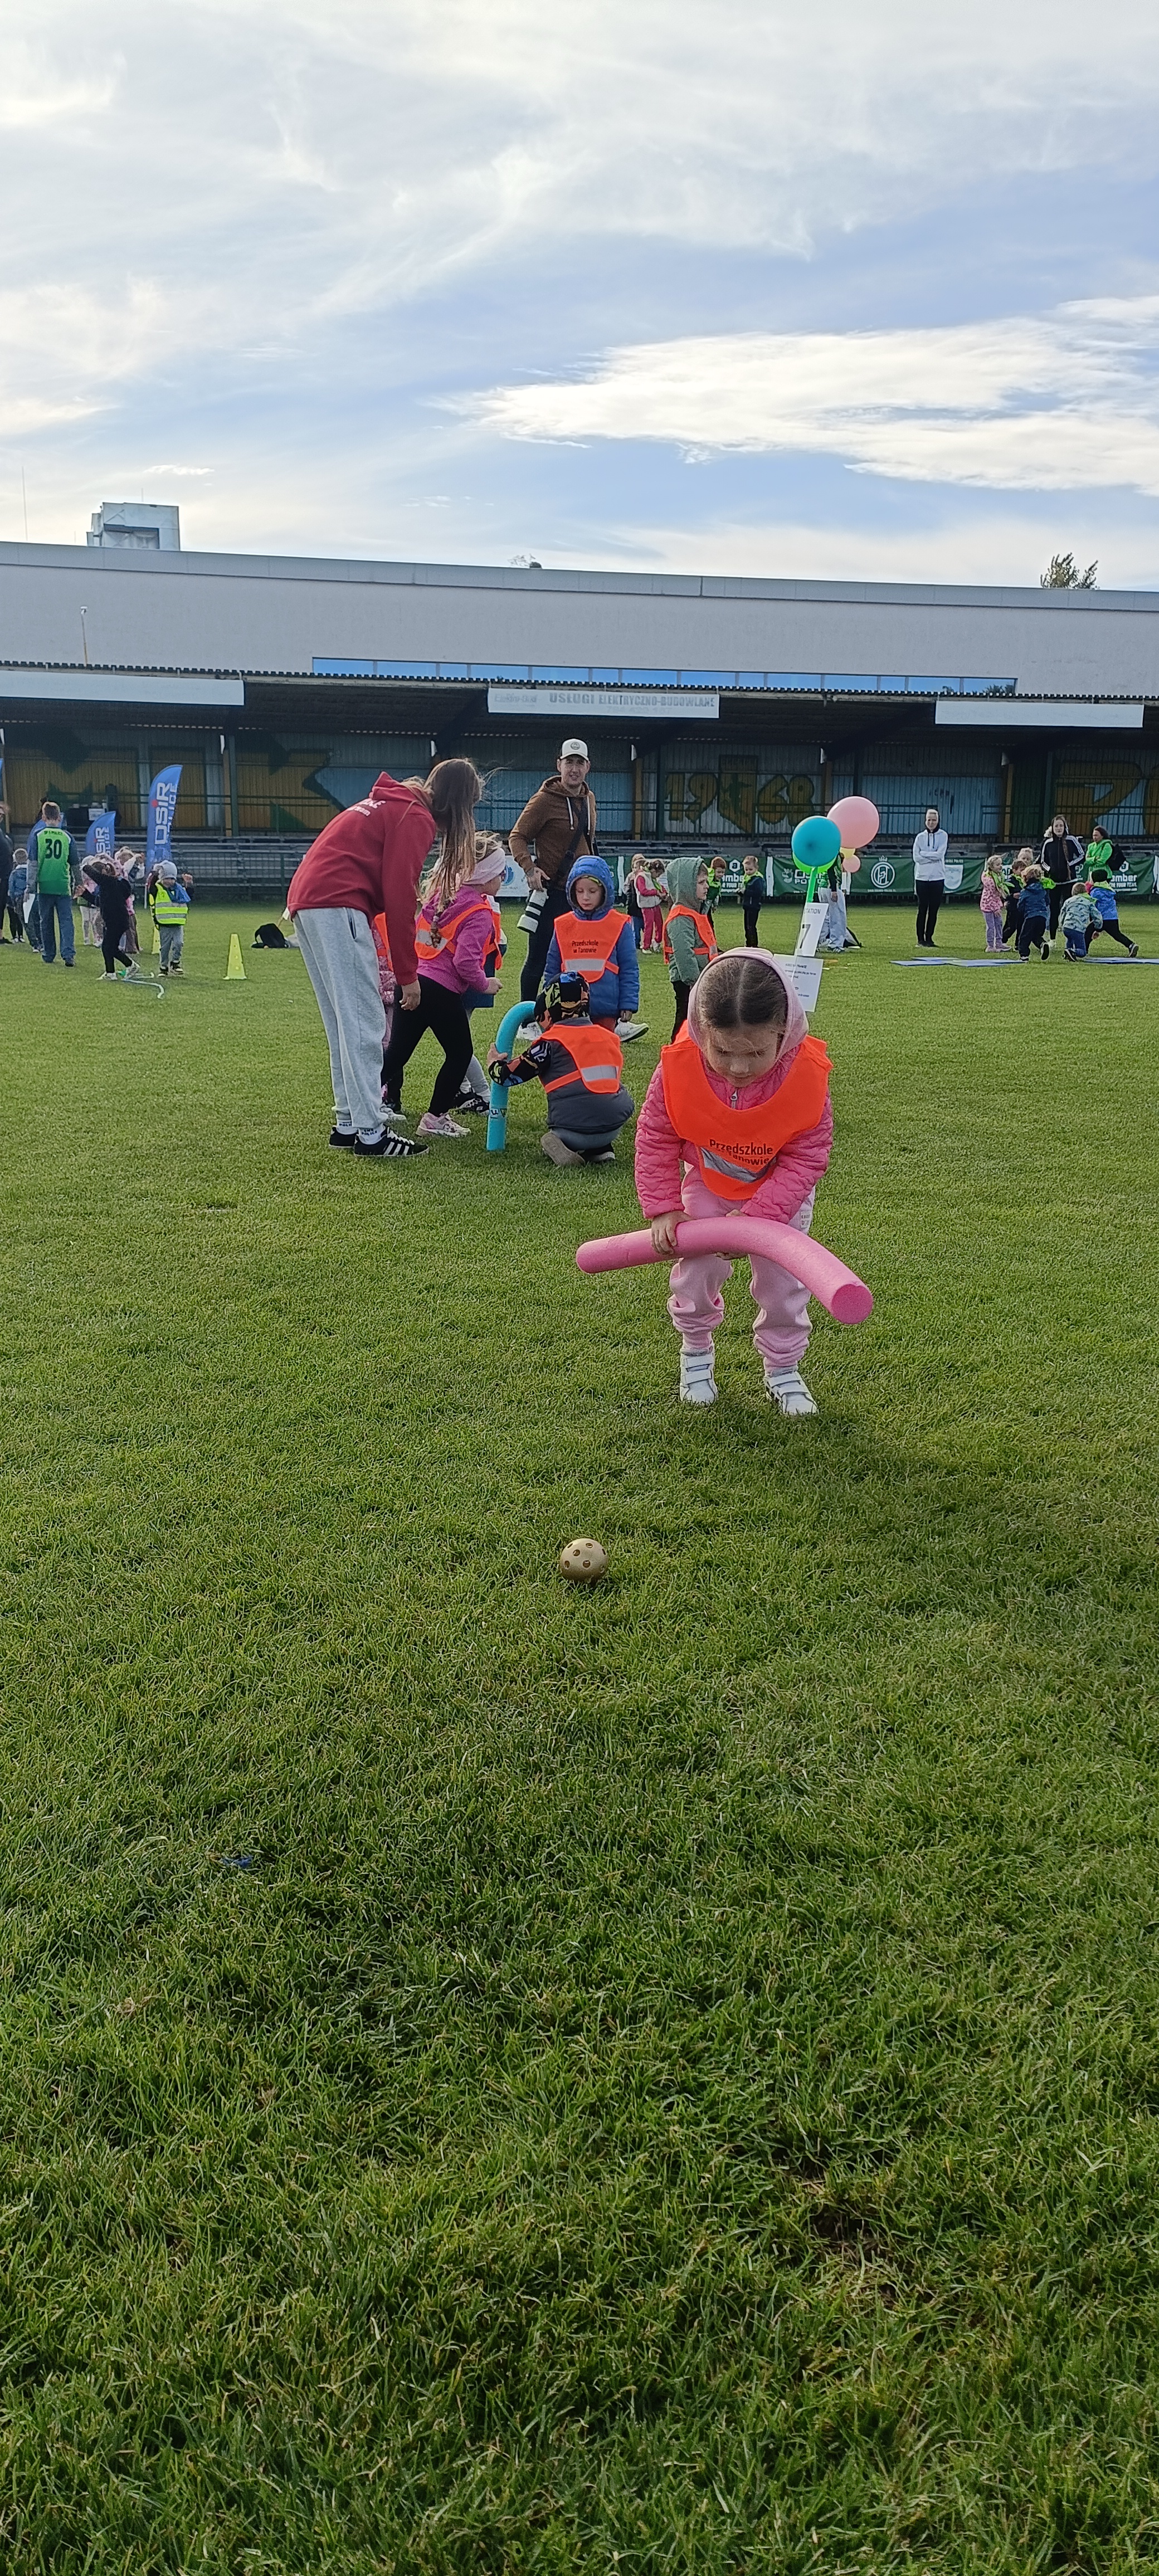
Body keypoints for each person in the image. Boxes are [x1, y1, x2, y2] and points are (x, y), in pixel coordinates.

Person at [635, 949, 832, 1416]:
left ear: (783, 1031)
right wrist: (664, 1207)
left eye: (756, 1053)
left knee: (783, 1283)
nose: (739, 1068)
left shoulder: (805, 1075)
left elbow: (808, 1156)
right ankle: (696, 1354)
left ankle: (783, 1369)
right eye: (722, 1052)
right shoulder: (678, 1066)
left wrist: (758, 1219)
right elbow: (656, 1136)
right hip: (710, 1180)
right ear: (702, 1030)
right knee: (697, 1269)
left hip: (779, 1193)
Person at [288, 762, 482, 1158]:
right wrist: (408, 975)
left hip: (309, 902)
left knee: (343, 1023)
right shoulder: (415, 816)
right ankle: (371, 1133)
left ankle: (348, 1122)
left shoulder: (393, 804)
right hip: (338, 902)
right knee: (365, 1024)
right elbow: (400, 897)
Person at [382, 805, 501, 1139]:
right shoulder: (478, 911)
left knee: (398, 1052)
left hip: (413, 982)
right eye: (500, 873)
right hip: (440, 991)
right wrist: (485, 984)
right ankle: (435, 1118)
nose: (503, 879)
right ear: (485, 876)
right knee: (460, 1054)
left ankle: (360, 1102)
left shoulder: (439, 896)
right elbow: (465, 963)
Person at [489, 972, 635, 1167]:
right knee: (600, 1097)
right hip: (614, 1126)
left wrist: (494, 1064)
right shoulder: (609, 1037)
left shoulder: (551, 1042)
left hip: (573, 1130)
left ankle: (564, 1145)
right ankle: (601, 1150)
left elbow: (509, 1076)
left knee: (556, 1133)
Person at [510, 739, 598, 1002]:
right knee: (538, 959)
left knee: (578, 958)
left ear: (588, 767)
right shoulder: (544, 800)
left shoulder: (589, 799)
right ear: (559, 765)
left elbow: (589, 841)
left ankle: (571, 1012)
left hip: (581, 897)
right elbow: (517, 837)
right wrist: (530, 869)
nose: (574, 769)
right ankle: (527, 1017)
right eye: (569, 762)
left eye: (580, 763)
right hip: (551, 894)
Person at [543, 856, 644, 1040]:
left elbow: (629, 968)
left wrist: (628, 1003)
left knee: (603, 1050)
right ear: (572, 891)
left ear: (604, 891)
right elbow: (552, 968)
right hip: (569, 1008)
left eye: (592, 891)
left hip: (606, 1009)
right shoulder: (563, 925)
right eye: (580, 891)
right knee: (572, 1051)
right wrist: (549, 1001)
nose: (585, 897)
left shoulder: (619, 925)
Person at [663, 856, 718, 1036]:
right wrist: (695, 982)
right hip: (688, 981)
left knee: (695, 1020)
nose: (707, 886)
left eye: (706, 882)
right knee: (685, 1020)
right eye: (701, 882)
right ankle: (677, 1048)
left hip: (700, 976)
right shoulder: (681, 918)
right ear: (686, 886)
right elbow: (684, 954)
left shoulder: (694, 911)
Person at [26, 799, 80, 966]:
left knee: (46, 922)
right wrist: (79, 883)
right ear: (59, 818)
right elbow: (75, 863)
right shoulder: (67, 837)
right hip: (63, 885)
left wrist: (30, 886)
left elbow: (33, 863)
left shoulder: (38, 836)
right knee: (66, 921)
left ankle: (49, 954)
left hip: (44, 885)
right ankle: (68, 955)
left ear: (44, 818)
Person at [89, 857, 137, 978]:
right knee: (110, 948)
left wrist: (82, 865)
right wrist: (84, 894)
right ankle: (112, 973)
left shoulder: (109, 882)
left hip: (117, 920)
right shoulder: (108, 885)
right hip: (113, 920)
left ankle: (129, 966)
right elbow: (99, 902)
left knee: (108, 947)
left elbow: (92, 873)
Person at [1039, 814, 1084, 939]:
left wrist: (1070, 865)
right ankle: (1052, 939)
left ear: (1065, 827)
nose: (1059, 828)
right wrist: (1051, 870)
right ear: (1053, 828)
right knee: (1054, 911)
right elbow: (1043, 861)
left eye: (1061, 826)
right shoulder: (1048, 843)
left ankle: (1070, 939)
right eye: (1056, 826)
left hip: (1070, 882)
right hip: (1054, 883)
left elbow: (1082, 855)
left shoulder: (1072, 840)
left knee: (1070, 909)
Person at [1084, 867, 1139, 957]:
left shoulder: (1095, 892)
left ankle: (1084, 951)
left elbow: (1092, 906)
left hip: (1101, 918)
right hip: (1113, 918)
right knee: (1117, 935)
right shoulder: (1109, 890)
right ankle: (1131, 945)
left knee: (1088, 933)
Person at [913, 807, 947, 947]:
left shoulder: (943, 836)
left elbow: (940, 855)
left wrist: (924, 854)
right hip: (922, 878)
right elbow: (916, 857)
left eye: (934, 820)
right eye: (929, 820)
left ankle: (929, 938)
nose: (931, 823)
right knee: (922, 909)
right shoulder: (920, 837)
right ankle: (920, 939)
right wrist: (931, 856)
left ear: (938, 821)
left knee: (934, 910)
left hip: (937, 878)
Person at [150, 860, 191, 973]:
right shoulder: (157, 889)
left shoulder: (179, 890)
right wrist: (155, 873)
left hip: (178, 923)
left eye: (173, 879)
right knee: (165, 947)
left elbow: (189, 896)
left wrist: (189, 884)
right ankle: (163, 967)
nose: (171, 881)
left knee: (179, 943)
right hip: (164, 923)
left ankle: (175, 963)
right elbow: (151, 887)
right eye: (167, 878)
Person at [1015, 865, 1051, 960]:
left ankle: (1024, 955)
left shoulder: (1025, 892)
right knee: (1036, 936)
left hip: (1031, 917)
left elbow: (1021, 905)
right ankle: (1042, 944)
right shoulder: (1043, 890)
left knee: (1024, 937)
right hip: (1043, 917)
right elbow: (1048, 901)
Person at [1001, 849, 1034, 947]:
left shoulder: (1026, 881)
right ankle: (1001, 940)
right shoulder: (1011, 880)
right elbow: (1005, 893)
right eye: (1021, 870)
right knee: (1011, 926)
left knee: (1022, 926)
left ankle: (1018, 944)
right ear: (1015, 870)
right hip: (1013, 906)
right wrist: (1012, 896)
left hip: (1023, 907)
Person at [1059, 882, 1099, 960]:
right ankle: (1072, 952)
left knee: (1070, 939)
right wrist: (1098, 926)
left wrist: (1062, 924)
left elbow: (1063, 913)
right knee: (1083, 952)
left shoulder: (1068, 901)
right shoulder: (1088, 902)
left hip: (1067, 928)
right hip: (1078, 929)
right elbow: (1097, 916)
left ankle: (1067, 953)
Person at [634, 853, 664, 951]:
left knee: (660, 924)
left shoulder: (652, 878)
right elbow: (643, 891)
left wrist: (663, 892)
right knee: (649, 925)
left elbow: (659, 886)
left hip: (655, 904)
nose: (658, 877)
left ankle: (657, 942)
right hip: (646, 905)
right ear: (653, 870)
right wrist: (656, 892)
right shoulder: (641, 877)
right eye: (658, 874)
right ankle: (646, 946)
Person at [979, 857, 1006, 952]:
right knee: (991, 926)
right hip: (988, 906)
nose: (1000, 866)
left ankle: (999, 943)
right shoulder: (990, 880)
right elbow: (991, 896)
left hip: (996, 904)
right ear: (991, 867)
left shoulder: (998, 876)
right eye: (998, 865)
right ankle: (990, 946)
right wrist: (995, 908)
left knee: (999, 923)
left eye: (1001, 864)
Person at [741, 854, 765, 947]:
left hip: (754, 906)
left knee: (751, 927)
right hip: (747, 905)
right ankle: (748, 944)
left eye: (750, 869)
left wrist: (746, 892)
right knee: (747, 927)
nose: (748, 872)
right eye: (746, 870)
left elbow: (758, 893)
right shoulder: (748, 878)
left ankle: (754, 945)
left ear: (756, 868)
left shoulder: (758, 879)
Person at [6, 848, 28, 944]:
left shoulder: (14, 873)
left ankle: (16, 936)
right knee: (20, 918)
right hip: (25, 898)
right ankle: (20, 936)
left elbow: (11, 887)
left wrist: (11, 899)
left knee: (14, 918)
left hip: (15, 897)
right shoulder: (28, 872)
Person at [0, 809, 11, 943]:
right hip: (1, 875)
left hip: (5, 875)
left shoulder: (2, 833)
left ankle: (1, 935)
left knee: (2, 905)